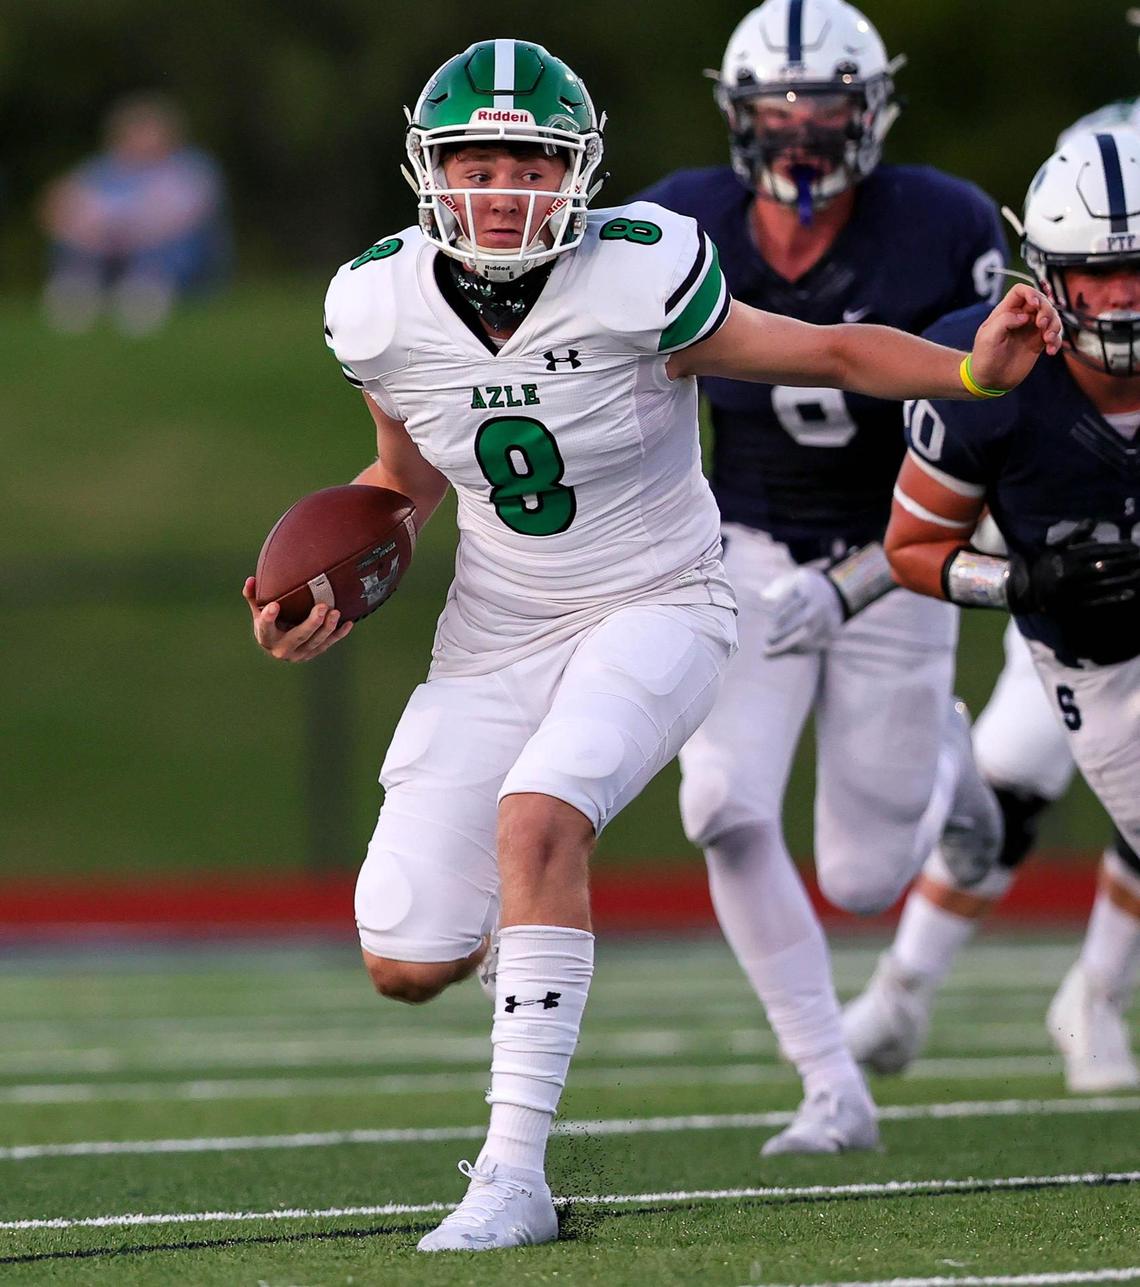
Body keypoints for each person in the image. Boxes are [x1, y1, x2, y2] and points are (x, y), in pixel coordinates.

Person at [243, 38, 1057, 1253]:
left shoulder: (637, 275)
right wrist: (335, 580)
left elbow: (829, 349)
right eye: (478, 161)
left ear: (578, 172)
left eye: (532, 162)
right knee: (407, 962)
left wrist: (972, 373)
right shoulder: (377, 305)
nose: (505, 189)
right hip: (496, 622)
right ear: (431, 171)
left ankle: (514, 1174)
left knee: (541, 817)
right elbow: (404, 479)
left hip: (661, 596)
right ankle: (523, 945)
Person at [636, 0, 1008, 1153]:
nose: (799, 131)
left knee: (860, 877)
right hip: (739, 544)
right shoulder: (677, 222)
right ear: (736, 117)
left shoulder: (942, 226)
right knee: (720, 804)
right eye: (775, 108)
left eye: (824, 107)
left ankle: (950, 763)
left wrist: (864, 574)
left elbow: (993, 433)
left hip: (899, 554)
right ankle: (831, 1085)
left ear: (870, 111)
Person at [844, 116, 1140, 1095]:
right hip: (1091, 655)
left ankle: (1093, 995)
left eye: (1137, 266)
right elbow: (913, 549)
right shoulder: (992, 372)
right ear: (1043, 273)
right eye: (1095, 272)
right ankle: (907, 991)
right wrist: (1020, 582)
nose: (1121, 297)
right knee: (1008, 789)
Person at [39, 94, 229, 335]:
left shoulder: (190, 167)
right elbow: (58, 205)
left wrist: (131, 233)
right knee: (74, 240)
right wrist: (88, 232)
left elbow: (187, 217)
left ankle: (147, 290)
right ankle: (77, 288)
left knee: (174, 244)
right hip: (106, 248)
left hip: (164, 251)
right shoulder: (102, 169)